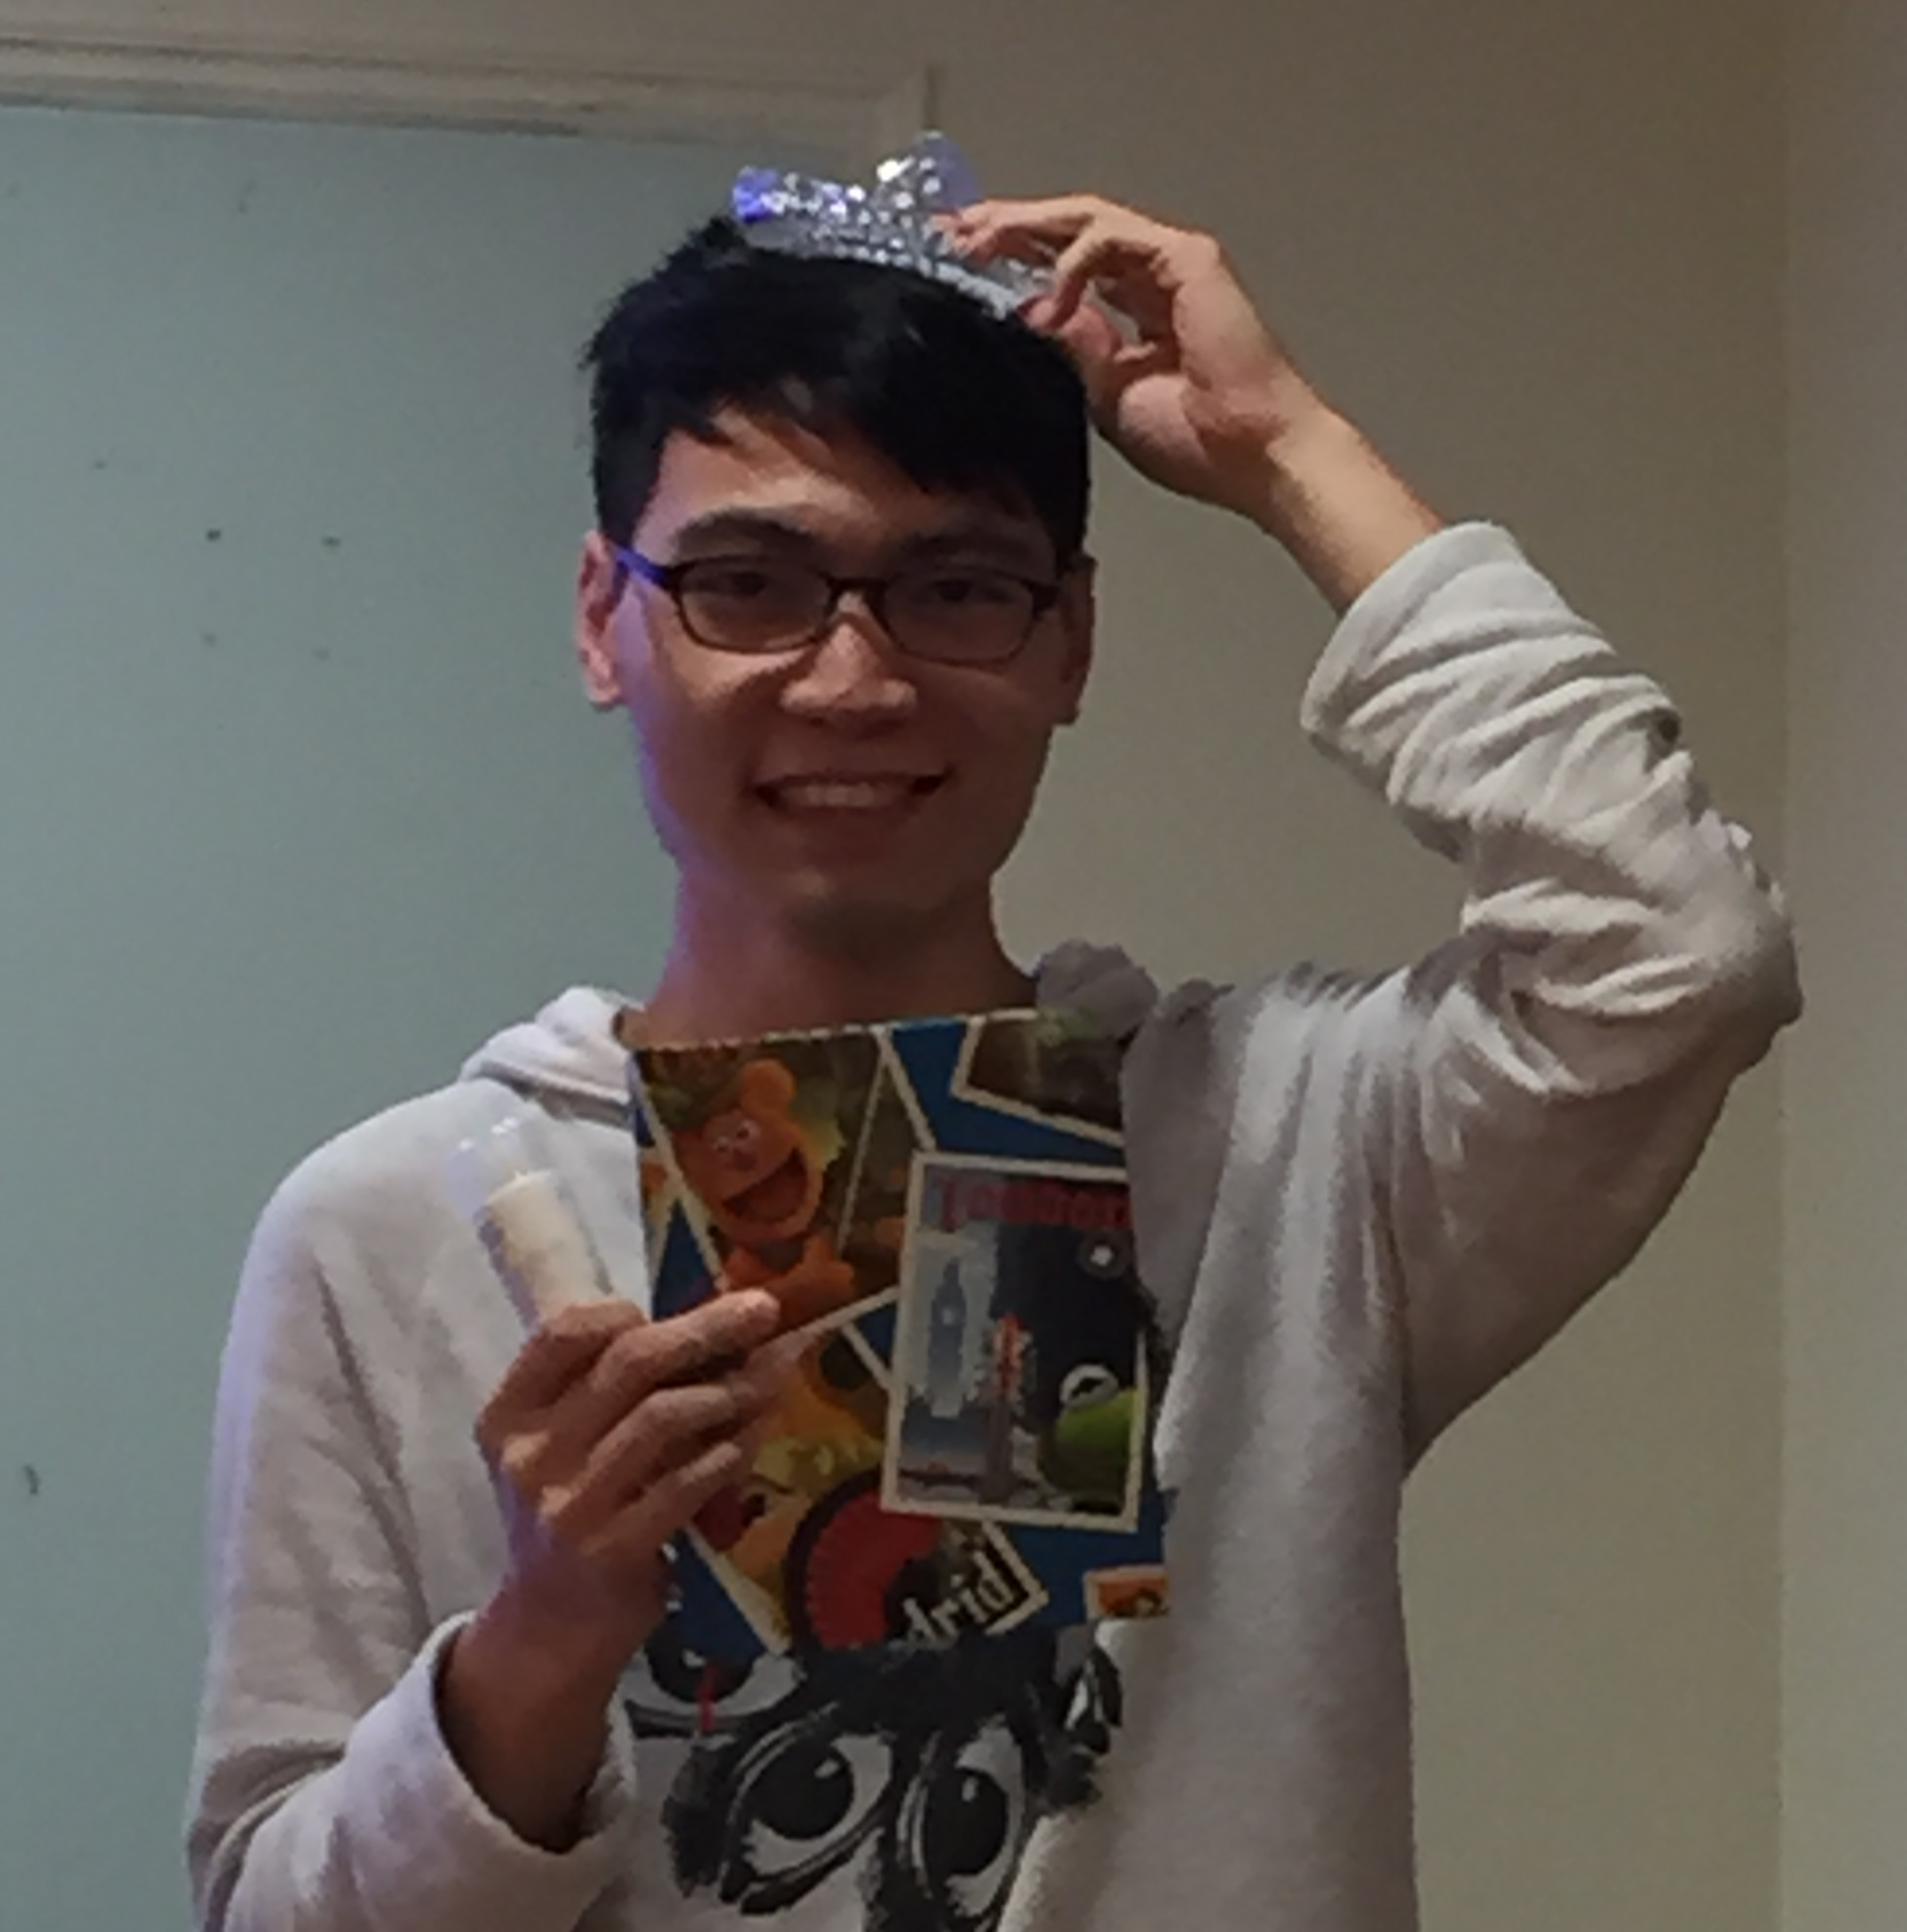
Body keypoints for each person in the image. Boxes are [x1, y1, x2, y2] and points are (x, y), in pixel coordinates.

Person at [184, 183, 1799, 1932]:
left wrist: (1287, 452)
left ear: (1071, 638)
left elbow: (1678, 950)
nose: (852, 680)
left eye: (955, 587)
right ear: (603, 617)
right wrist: (541, 1643)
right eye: (747, 586)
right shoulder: (393, 1230)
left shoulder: (1290, 1149)